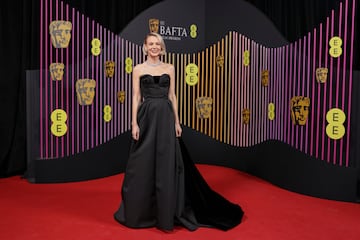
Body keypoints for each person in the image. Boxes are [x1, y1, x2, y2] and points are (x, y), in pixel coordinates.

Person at [113, 32, 244, 232]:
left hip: (166, 118)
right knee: (141, 164)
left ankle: (166, 213)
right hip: (146, 118)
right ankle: (141, 212)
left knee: (166, 164)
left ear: (161, 47)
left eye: (158, 43)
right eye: (151, 44)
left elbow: (173, 96)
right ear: (145, 47)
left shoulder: (170, 68)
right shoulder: (138, 69)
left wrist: (177, 122)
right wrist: (134, 123)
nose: (154, 47)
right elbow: (135, 97)